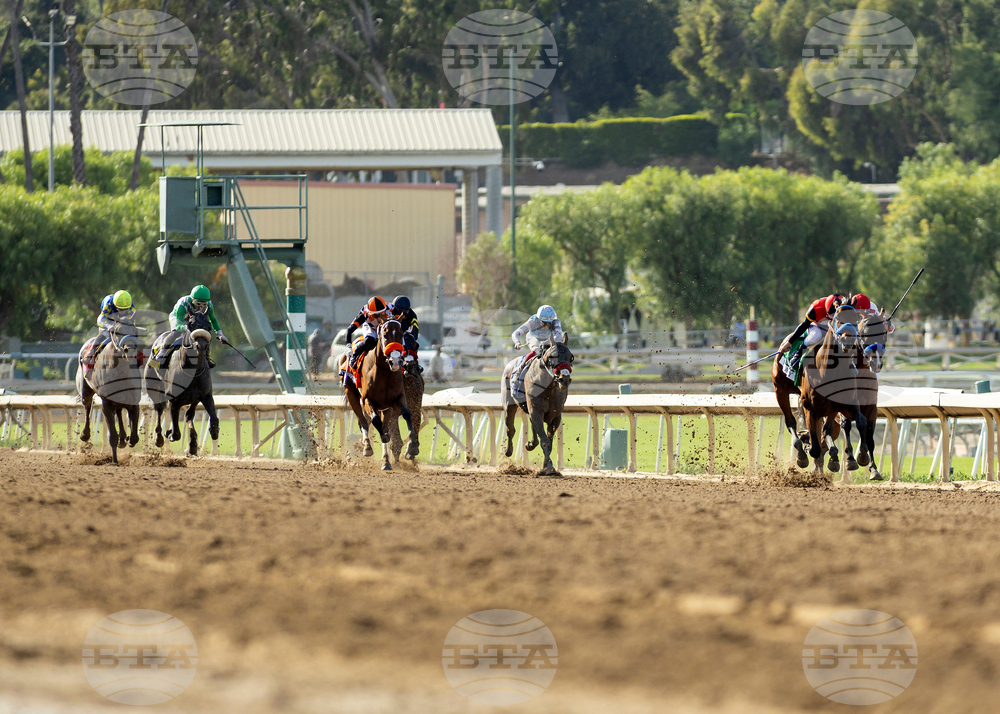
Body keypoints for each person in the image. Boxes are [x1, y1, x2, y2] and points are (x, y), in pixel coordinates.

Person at [152, 285, 228, 369]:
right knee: (176, 333)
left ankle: (207, 356)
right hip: (179, 318)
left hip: (194, 320)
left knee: (205, 334)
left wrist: (220, 334)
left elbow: (213, 320)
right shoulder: (183, 303)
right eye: (198, 304)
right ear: (192, 300)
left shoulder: (209, 304)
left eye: (204, 304)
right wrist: (186, 328)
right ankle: (161, 354)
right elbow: (178, 324)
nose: (201, 307)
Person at [778, 293, 847, 380]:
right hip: (816, 326)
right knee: (816, 335)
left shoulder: (845, 307)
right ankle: (798, 354)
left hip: (835, 326)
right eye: (830, 315)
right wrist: (789, 343)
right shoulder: (816, 308)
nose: (831, 317)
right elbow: (804, 325)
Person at [510, 305, 563, 396]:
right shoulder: (533, 321)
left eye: (549, 323)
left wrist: (553, 342)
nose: (547, 326)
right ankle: (517, 374)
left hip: (548, 338)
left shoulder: (555, 321)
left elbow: (559, 335)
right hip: (533, 337)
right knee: (536, 351)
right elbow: (516, 333)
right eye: (544, 323)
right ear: (539, 320)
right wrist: (517, 342)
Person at [83, 290, 135, 372]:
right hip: (107, 320)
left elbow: (132, 321)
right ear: (115, 305)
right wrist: (108, 326)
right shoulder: (108, 303)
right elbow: (100, 320)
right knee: (106, 335)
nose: (123, 312)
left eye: (125, 309)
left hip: (121, 323)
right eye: (120, 309)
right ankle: (90, 354)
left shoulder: (131, 306)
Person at [342, 296, 389, 385]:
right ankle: (355, 356)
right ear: (369, 313)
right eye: (375, 315)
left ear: (385, 310)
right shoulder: (364, 313)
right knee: (370, 341)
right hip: (371, 327)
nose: (379, 319)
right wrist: (348, 346)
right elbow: (349, 330)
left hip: (386, 326)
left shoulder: (391, 308)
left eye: (381, 314)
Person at [388, 295, 422, 371]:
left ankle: (413, 364)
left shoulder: (412, 315)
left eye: (405, 312)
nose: (402, 314)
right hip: (392, 334)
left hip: (403, 333)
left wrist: (412, 337)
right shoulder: (390, 313)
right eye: (400, 312)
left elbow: (415, 328)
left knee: (410, 340)